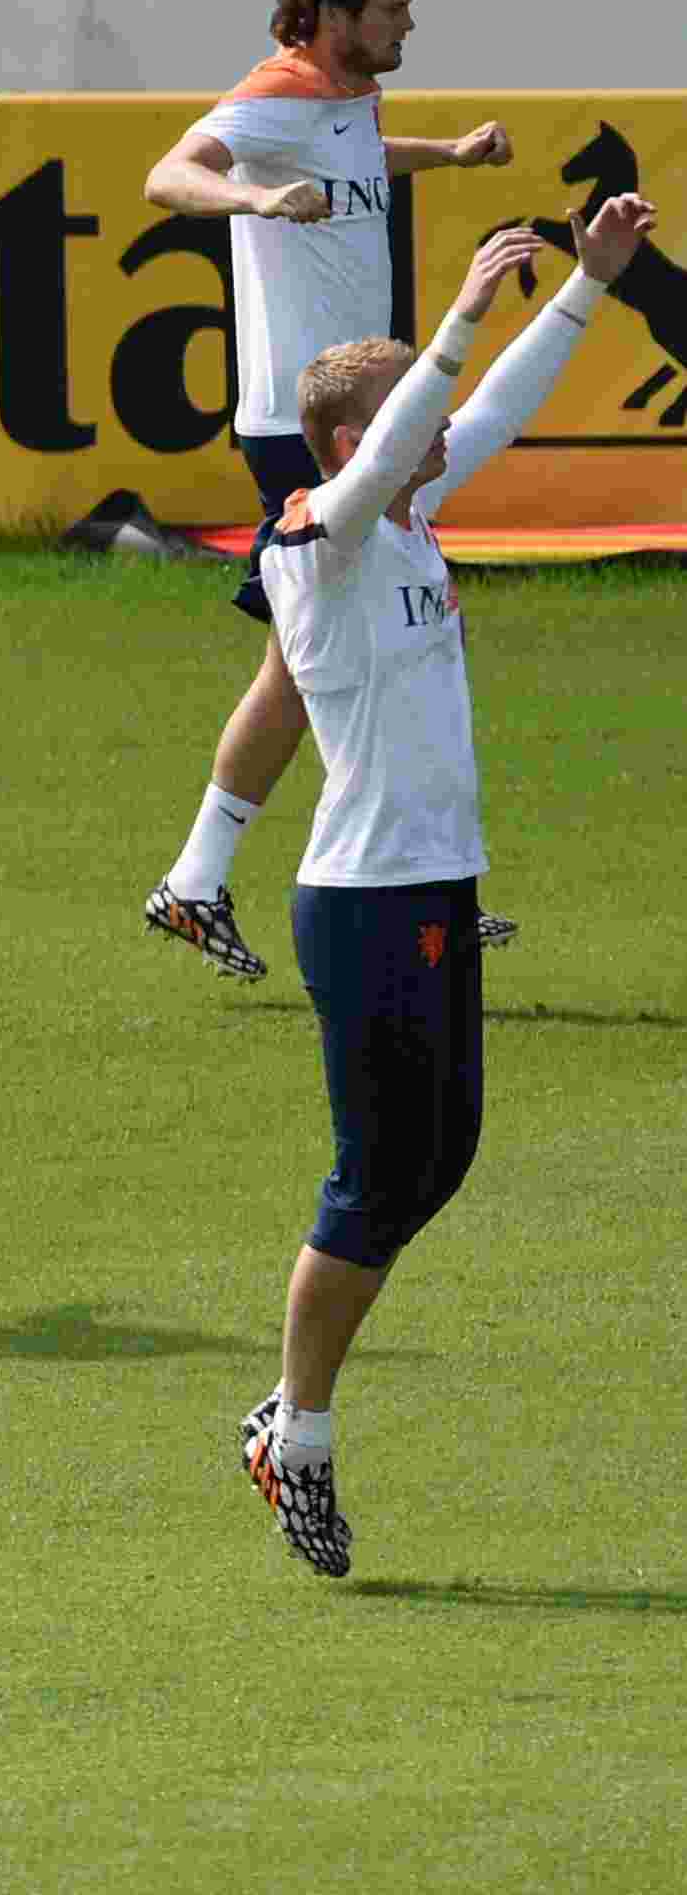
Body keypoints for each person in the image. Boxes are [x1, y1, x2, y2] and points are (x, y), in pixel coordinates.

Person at [232, 196, 646, 1578]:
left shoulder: (405, 517)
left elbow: (496, 413)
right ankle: (294, 1430)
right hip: (360, 901)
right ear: (353, 442)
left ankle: (292, 1405)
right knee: (372, 1177)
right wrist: (460, 314)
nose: (440, 431)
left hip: (432, 889)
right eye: (409, 412)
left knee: (441, 1154)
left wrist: (586, 286)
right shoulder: (320, 537)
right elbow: (415, 431)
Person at [138, 0, 523, 983]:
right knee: (370, 645)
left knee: (329, 656)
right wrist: (255, 196)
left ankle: (209, 882)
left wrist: (443, 155)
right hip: (308, 429)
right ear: (333, 14)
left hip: (361, 419)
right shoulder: (274, 94)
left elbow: (351, 158)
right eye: (390, 8)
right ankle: (377, 889)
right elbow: (170, 174)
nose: (408, 24)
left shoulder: (347, 95)